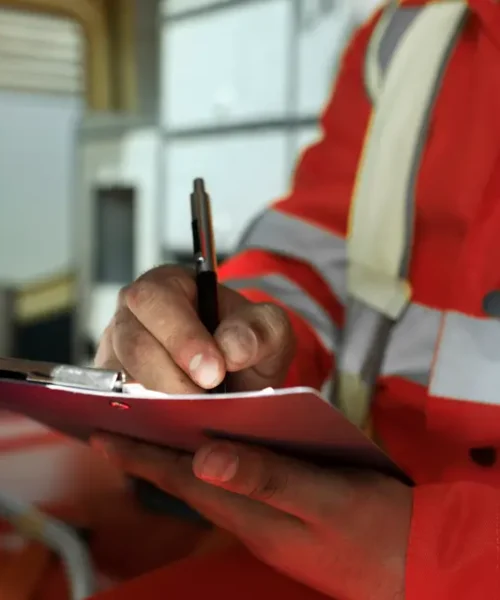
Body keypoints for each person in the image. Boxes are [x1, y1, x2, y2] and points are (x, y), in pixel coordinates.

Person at [91, 1, 500, 598]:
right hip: (348, 535)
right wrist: (238, 338)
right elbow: (318, 253)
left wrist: (444, 558)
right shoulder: (406, 36)